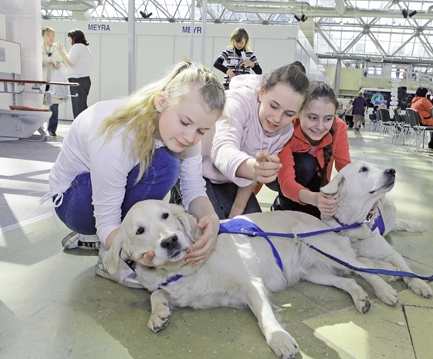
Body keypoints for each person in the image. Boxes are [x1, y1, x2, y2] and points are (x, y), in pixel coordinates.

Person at [40, 61, 226, 288]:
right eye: (185, 122)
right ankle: (109, 258)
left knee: (166, 158)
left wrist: (212, 220)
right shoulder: (118, 136)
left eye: (201, 131)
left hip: (99, 197)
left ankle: (98, 239)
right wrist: (133, 252)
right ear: (161, 102)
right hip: (74, 202)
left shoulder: (185, 131)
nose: (190, 137)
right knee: (164, 163)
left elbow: (194, 189)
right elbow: (107, 219)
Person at [201, 62, 309, 220]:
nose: (277, 119)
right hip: (199, 174)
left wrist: (237, 211)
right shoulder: (237, 102)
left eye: (289, 114)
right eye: (273, 106)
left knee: (252, 231)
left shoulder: (286, 131)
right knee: (212, 230)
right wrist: (255, 168)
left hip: (234, 181)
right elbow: (222, 149)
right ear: (262, 92)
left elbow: (251, 177)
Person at [271, 81, 351, 218]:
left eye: (327, 119)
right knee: (307, 163)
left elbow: (347, 169)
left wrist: (369, 198)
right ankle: (282, 203)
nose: (320, 126)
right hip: (280, 178)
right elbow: (286, 181)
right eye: (313, 117)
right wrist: (314, 199)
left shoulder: (339, 127)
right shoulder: (287, 129)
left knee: (315, 218)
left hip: (316, 183)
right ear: (298, 112)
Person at [57, 29, 93, 118]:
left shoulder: (77, 47)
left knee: (78, 108)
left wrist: (61, 51)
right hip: (84, 79)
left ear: (73, 38)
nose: (69, 40)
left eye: (69, 38)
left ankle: (79, 128)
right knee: (82, 106)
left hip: (77, 80)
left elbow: (70, 61)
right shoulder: (85, 48)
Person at [41, 27, 65, 137]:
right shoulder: (38, 47)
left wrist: (58, 64)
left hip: (53, 81)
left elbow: (64, 61)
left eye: (53, 36)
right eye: (48, 35)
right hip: (41, 80)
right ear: (43, 36)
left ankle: (52, 129)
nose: (51, 38)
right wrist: (42, 63)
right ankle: (38, 126)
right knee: (39, 103)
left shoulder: (57, 48)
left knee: (53, 105)